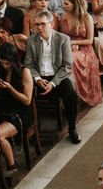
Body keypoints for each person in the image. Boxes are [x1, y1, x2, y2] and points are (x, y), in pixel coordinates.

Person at [24, 10, 81, 144]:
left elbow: (67, 66)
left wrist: (53, 83)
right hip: (39, 78)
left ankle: (72, 129)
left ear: (52, 24)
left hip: (58, 77)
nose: (39, 28)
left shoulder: (63, 39)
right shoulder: (31, 41)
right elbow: (28, 65)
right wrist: (37, 79)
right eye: (37, 25)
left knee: (71, 94)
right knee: (25, 96)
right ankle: (33, 133)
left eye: (43, 24)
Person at [0, 42, 32, 174]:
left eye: (8, 63)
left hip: (19, 113)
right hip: (2, 112)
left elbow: (27, 100)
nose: (5, 66)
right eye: (2, 63)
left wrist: (10, 88)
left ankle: (11, 164)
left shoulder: (24, 71)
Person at [60, 0, 102, 107]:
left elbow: (90, 40)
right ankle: (68, 92)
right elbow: (62, 36)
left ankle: (76, 94)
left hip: (85, 49)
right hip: (68, 47)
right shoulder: (63, 17)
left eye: (66, 4)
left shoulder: (86, 17)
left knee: (71, 58)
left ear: (75, 4)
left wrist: (73, 42)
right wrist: (68, 44)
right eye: (63, 3)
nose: (63, 6)